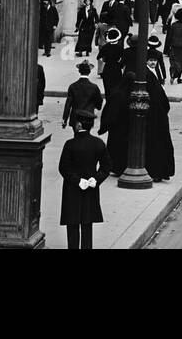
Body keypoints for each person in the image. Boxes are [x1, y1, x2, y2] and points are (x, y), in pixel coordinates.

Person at [57, 108, 110, 250]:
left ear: (79, 125)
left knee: (72, 225)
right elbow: (106, 167)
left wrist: (77, 181)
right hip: (90, 190)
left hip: (72, 190)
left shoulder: (70, 144)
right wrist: (95, 179)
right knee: (87, 225)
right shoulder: (98, 143)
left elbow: (63, 168)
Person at [144, 58, 175, 183]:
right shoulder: (157, 89)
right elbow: (166, 104)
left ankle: (153, 171)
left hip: (151, 121)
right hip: (160, 121)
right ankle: (160, 172)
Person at [99, 72, 132, 177]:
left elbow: (109, 111)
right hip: (122, 127)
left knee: (114, 147)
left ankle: (115, 167)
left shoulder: (117, 92)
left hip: (116, 128)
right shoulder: (125, 94)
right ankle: (119, 167)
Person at [62, 61, 103, 130]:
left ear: (79, 71)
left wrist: (65, 119)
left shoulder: (72, 86)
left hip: (75, 118)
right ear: (89, 72)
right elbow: (99, 104)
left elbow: (68, 105)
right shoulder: (94, 87)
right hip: (88, 117)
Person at [165, 10, 182, 85]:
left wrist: (168, 46)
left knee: (173, 61)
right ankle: (178, 76)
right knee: (181, 62)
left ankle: (172, 73)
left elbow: (169, 36)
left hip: (173, 45)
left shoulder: (173, 25)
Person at [97, 28, 125, 99]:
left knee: (108, 88)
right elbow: (123, 59)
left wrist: (105, 60)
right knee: (117, 87)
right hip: (117, 69)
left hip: (107, 68)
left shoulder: (105, 47)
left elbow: (99, 57)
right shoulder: (120, 48)